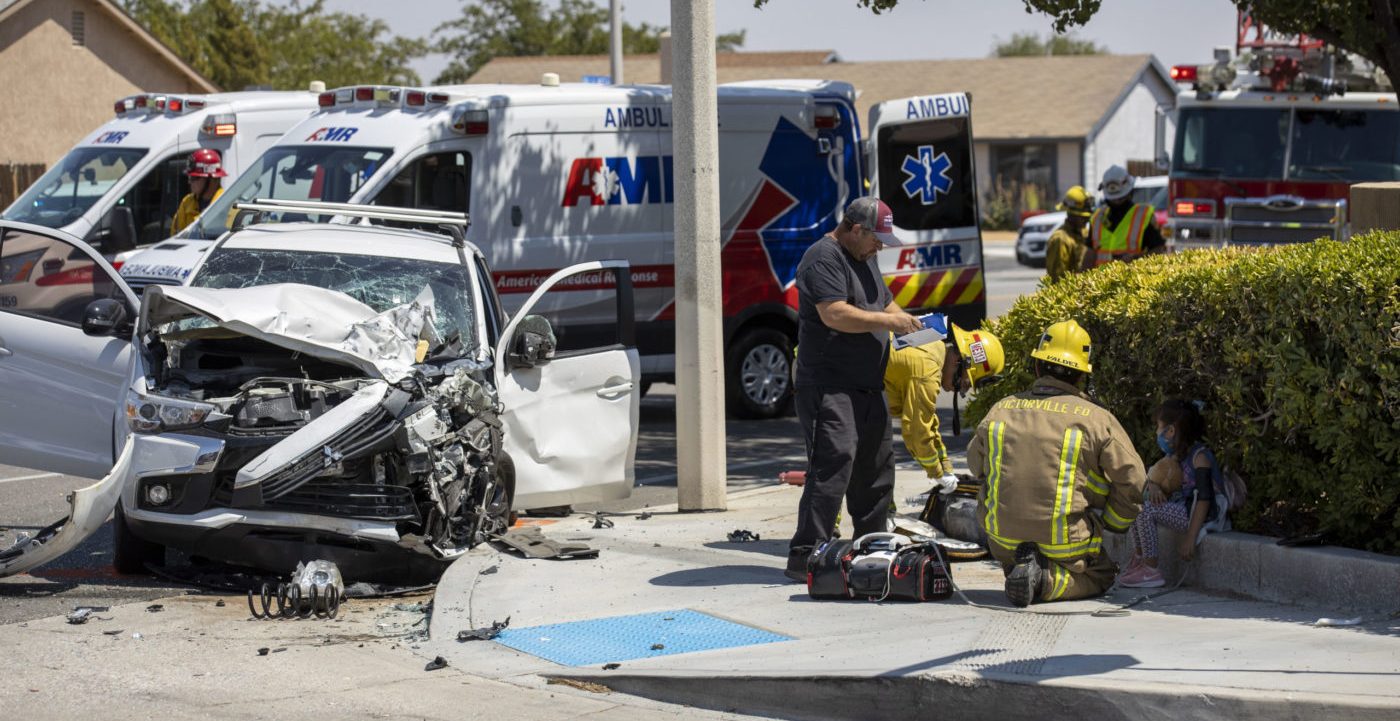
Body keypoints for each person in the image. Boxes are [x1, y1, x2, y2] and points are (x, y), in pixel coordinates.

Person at [785, 196, 923, 582]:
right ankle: (806, 553)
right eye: (875, 238)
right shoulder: (823, 257)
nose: (880, 246)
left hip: (867, 384)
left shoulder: (865, 257)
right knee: (833, 463)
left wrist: (914, 324)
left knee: (876, 467)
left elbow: (886, 303)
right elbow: (835, 314)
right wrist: (888, 323)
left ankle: (871, 545)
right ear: (855, 229)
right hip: (830, 384)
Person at [967, 320, 1146, 606]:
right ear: (1081, 377)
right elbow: (1134, 479)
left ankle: (1024, 570)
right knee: (1102, 573)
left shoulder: (1001, 409)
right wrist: (1113, 522)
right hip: (1066, 542)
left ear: (1038, 367)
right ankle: (1045, 582)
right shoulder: (1097, 419)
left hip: (1002, 539)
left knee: (1000, 510)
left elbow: (976, 466)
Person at [884, 320, 1005, 492]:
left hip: (855, 387)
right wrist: (938, 473)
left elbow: (926, 419)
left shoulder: (930, 342)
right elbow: (917, 430)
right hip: (845, 392)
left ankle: (882, 515)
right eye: (964, 384)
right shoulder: (927, 372)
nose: (959, 390)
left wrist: (946, 466)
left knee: (878, 465)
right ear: (959, 362)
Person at [1119, 400, 1220, 588]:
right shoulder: (1176, 455)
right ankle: (1140, 557)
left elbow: (1204, 499)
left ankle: (1150, 570)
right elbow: (1153, 476)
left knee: (1145, 510)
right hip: (1181, 508)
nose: (1157, 433)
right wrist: (1154, 487)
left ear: (1171, 431)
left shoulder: (1200, 458)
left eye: (1159, 427)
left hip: (1197, 515)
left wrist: (1191, 537)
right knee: (1136, 504)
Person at [1081, 165, 1166, 270]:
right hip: (1100, 283)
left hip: (1130, 280)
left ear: (1129, 193)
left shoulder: (1143, 216)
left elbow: (1158, 250)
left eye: (1120, 199)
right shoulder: (1097, 217)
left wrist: (1137, 259)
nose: (1116, 202)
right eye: (1113, 199)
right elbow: (1090, 253)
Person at [172, 148, 227, 235]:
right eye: (189, 177)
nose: (189, 182)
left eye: (194, 178)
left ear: (211, 179)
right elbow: (175, 236)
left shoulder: (226, 205)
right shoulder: (187, 203)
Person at [1045, 186, 1093, 282]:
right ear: (1071, 215)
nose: (1086, 220)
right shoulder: (1060, 239)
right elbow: (1058, 278)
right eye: (1083, 217)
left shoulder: (1085, 233)